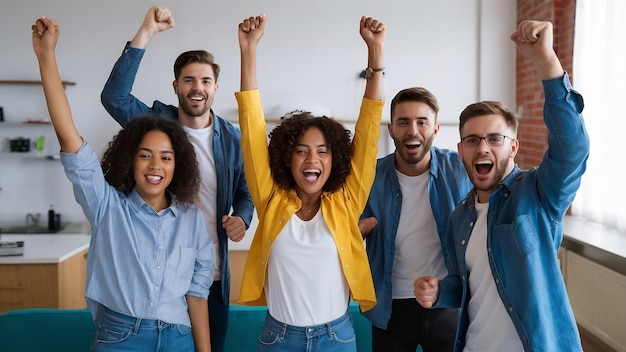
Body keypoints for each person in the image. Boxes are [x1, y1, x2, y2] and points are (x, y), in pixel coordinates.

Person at [32, 16, 214, 352]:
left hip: (180, 339)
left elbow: (197, 297)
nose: (156, 165)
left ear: (179, 165)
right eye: (145, 155)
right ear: (130, 159)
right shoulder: (107, 206)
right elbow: (69, 137)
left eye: (166, 157)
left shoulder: (191, 219)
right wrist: (46, 57)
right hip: (120, 338)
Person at [414, 20, 589, 351]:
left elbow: (572, 150)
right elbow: (465, 285)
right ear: (461, 150)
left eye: (495, 138)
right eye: (472, 140)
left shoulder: (537, 196)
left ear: (513, 147)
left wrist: (546, 61)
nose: (482, 148)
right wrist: (438, 292)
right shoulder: (459, 218)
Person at [100, 7, 254, 351]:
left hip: (211, 274)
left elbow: (246, 192)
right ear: (176, 86)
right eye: (188, 80)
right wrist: (146, 31)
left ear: (215, 88)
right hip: (156, 270)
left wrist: (243, 217)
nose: (196, 88)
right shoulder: (157, 124)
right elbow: (114, 98)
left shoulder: (233, 138)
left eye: (204, 81)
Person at [236, 14, 384, 351]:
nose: (312, 159)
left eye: (322, 151)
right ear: (287, 158)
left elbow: (368, 131)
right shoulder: (271, 200)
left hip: (337, 337)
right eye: (301, 151)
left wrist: (375, 54)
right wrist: (248, 51)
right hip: (279, 338)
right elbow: (252, 132)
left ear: (335, 160)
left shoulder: (347, 202)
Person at [359, 87, 472, 352]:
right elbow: (349, 229)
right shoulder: (370, 178)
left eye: (422, 122)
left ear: (435, 129)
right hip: (390, 306)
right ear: (391, 129)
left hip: (447, 301)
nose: (412, 131)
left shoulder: (460, 169)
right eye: (403, 122)